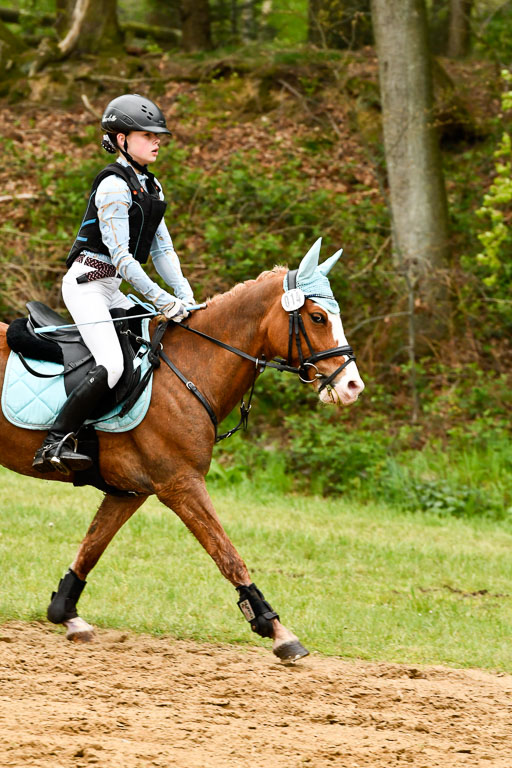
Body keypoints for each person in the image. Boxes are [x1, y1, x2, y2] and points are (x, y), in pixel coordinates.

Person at [33, 94, 195, 474]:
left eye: (159, 136)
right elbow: (121, 257)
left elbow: (163, 250)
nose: (157, 141)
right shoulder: (113, 187)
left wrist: (185, 295)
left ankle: (121, 435)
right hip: (87, 285)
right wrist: (160, 297)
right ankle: (53, 442)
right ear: (121, 139)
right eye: (147, 135)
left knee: (150, 346)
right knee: (112, 364)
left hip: (112, 289)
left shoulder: (151, 188)